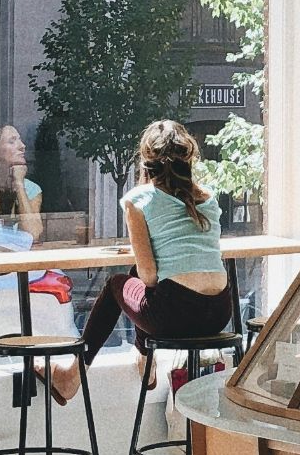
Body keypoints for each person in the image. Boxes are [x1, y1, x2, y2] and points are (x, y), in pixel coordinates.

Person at [40, 119, 231, 403]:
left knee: (119, 283)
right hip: (218, 314)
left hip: (175, 315)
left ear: (146, 160)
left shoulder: (138, 199)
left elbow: (149, 275)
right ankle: (145, 363)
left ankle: (72, 375)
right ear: (189, 157)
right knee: (137, 283)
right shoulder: (209, 198)